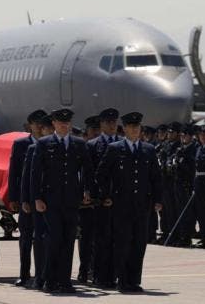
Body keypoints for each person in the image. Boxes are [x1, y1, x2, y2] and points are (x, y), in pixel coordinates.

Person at [97, 112, 163, 293]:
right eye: (131, 127)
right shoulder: (115, 148)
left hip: (142, 205)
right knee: (122, 242)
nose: (134, 130)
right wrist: (106, 196)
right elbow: (101, 174)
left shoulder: (148, 149)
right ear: (124, 129)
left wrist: (158, 199)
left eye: (137, 127)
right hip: (121, 205)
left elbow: (156, 177)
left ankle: (134, 280)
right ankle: (122, 280)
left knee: (139, 243)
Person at [31, 108, 93, 294]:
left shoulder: (79, 144)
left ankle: (65, 281)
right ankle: (50, 280)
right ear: (54, 124)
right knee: (54, 239)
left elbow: (87, 169)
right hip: (51, 201)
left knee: (68, 240)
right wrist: (37, 198)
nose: (64, 125)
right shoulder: (44, 144)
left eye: (67, 122)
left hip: (72, 201)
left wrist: (87, 190)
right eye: (60, 122)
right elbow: (35, 173)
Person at [7, 109, 47, 287]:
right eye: (36, 122)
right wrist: (15, 198)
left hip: (46, 200)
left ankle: (42, 274)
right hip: (28, 200)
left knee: (44, 238)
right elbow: (15, 173)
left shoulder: (50, 143)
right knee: (26, 238)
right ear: (29, 125)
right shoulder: (21, 144)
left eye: (42, 123)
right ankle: (24, 275)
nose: (39, 126)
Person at [83, 108, 119, 286]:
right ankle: (98, 275)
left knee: (118, 239)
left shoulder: (122, 144)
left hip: (119, 200)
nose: (112, 126)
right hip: (99, 201)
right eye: (108, 123)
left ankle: (114, 275)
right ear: (102, 125)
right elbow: (90, 174)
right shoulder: (92, 145)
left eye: (114, 122)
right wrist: (93, 194)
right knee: (100, 240)